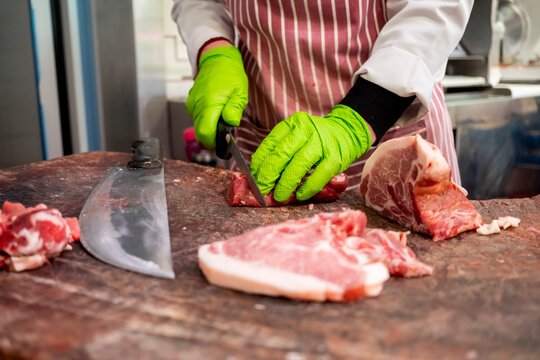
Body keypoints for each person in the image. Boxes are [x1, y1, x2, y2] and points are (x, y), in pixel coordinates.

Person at [172, 0, 473, 202]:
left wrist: (361, 117)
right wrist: (213, 47)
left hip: (392, 134)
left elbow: (434, 9)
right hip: (262, 134)